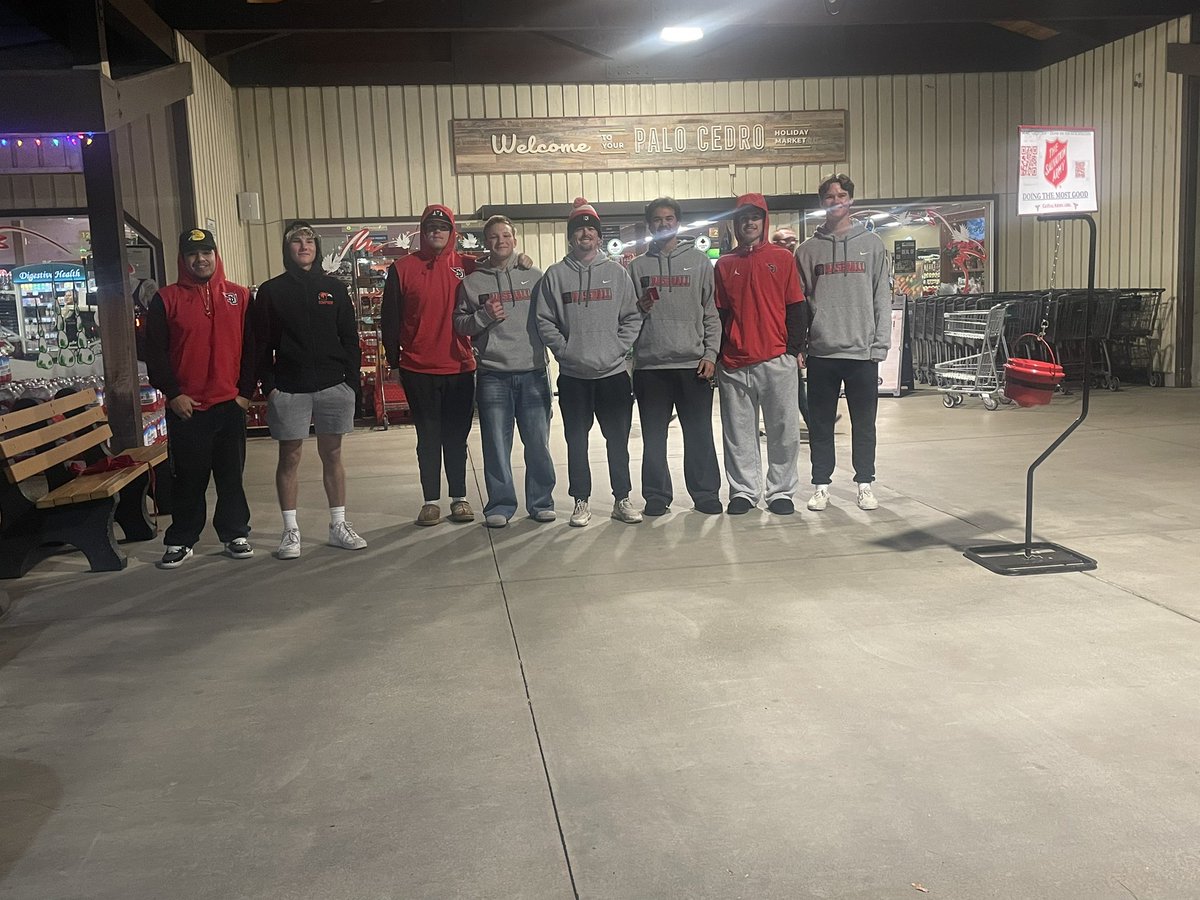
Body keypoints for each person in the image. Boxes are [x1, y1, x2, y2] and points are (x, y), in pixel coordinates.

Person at [254, 219, 368, 558]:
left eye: (309, 241)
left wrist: (350, 382)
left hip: (334, 386)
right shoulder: (272, 291)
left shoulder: (333, 289)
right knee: (289, 457)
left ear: (316, 248)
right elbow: (261, 344)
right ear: (287, 249)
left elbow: (350, 338)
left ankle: (338, 525)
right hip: (290, 388)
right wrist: (271, 386)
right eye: (296, 242)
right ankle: (290, 531)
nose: (304, 246)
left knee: (332, 455)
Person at [145, 228, 255, 569]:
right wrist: (173, 394)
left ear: (215, 255)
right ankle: (181, 539)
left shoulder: (239, 296)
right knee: (188, 480)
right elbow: (155, 352)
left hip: (228, 405)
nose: (201, 259)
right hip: (187, 409)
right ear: (183, 259)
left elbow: (253, 349)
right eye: (193, 253)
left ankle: (235, 532)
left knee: (230, 476)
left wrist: (245, 395)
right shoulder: (165, 300)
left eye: (207, 251)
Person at [535, 198, 644, 527]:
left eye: (591, 229)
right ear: (570, 236)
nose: (585, 234)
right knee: (576, 442)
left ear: (599, 237)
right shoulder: (555, 275)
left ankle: (621, 498)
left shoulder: (617, 273)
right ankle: (580, 501)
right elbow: (544, 321)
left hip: (612, 374)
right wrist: (565, 352)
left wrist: (618, 349)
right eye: (579, 229)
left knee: (617, 440)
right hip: (573, 376)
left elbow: (632, 316)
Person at [795, 172, 893, 512]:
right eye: (828, 197)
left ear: (850, 200)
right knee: (820, 424)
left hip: (862, 353)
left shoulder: (872, 245)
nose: (835, 202)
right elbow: (801, 303)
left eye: (840, 196)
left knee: (864, 425)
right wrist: (800, 347)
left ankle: (864, 483)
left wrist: (880, 345)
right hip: (823, 352)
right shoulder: (807, 251)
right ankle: (821, 484)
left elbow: (882, 296)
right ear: (822, 203)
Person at [453, 215, 556, 528]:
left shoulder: (536, 276)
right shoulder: (471, 283)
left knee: (538, 443)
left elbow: (551, 319)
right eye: (494, 237)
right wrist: (483, 317)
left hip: (533, 372)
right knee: (496, 444)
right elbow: (459, 324)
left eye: (506, 236)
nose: (501, 242)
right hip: (493, 374)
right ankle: (500, 504)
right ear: (487, 242)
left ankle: (541, 502)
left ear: (515, 239)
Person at [627, 197, 722, 516]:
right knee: (653, 438)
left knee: (699, 434)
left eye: (669, 218)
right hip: (651, 368)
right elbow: (626, 318)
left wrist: (711, 353)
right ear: (649, 225)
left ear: (677, 223)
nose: (663, 224)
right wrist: (637, 311)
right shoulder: (636, 267)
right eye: (657, 219)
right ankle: (656, 495)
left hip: (692, 365)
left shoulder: (698, 262)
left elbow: (711, 312)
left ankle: (705, 492)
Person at [713, 194, 806, 516]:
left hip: (776, 359)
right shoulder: (724, 265)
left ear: (763, 221)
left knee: (783, 430)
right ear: (735, 224)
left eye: (755, 217)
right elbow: (721, 314)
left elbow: (796, 307)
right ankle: (743, 491)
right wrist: (722, 354)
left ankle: (780, 491)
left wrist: (792, 351)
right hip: (735, 363)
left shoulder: (782, 259)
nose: (749, 223)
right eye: (742, 218)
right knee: (738, 435)